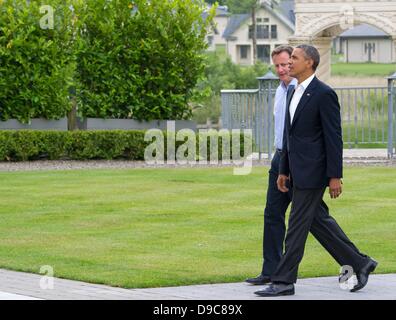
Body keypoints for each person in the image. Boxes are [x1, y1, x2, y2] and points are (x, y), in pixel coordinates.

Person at [254, 44, 377, 297]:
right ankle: (360, 263)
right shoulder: (291, 92)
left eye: (294, 59)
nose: (289, 64)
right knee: (317, 221)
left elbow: (334, 138)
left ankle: (284, 281)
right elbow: (290, 137)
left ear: (309, 63)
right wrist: (283, 171)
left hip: (314, 172)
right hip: (294, 170)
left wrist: (335, 176)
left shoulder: (323, 94)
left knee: (297, 224)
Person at [246, 46, 297, 285]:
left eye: (285, 64)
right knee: (272, 215)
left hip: (296, 162)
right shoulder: (280, 90)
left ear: (295, 62)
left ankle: (358, 262)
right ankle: (270, 271)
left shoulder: (301, 92)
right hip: (279, 158)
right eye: (277, 65)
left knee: (317, 220)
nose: (281, 69)